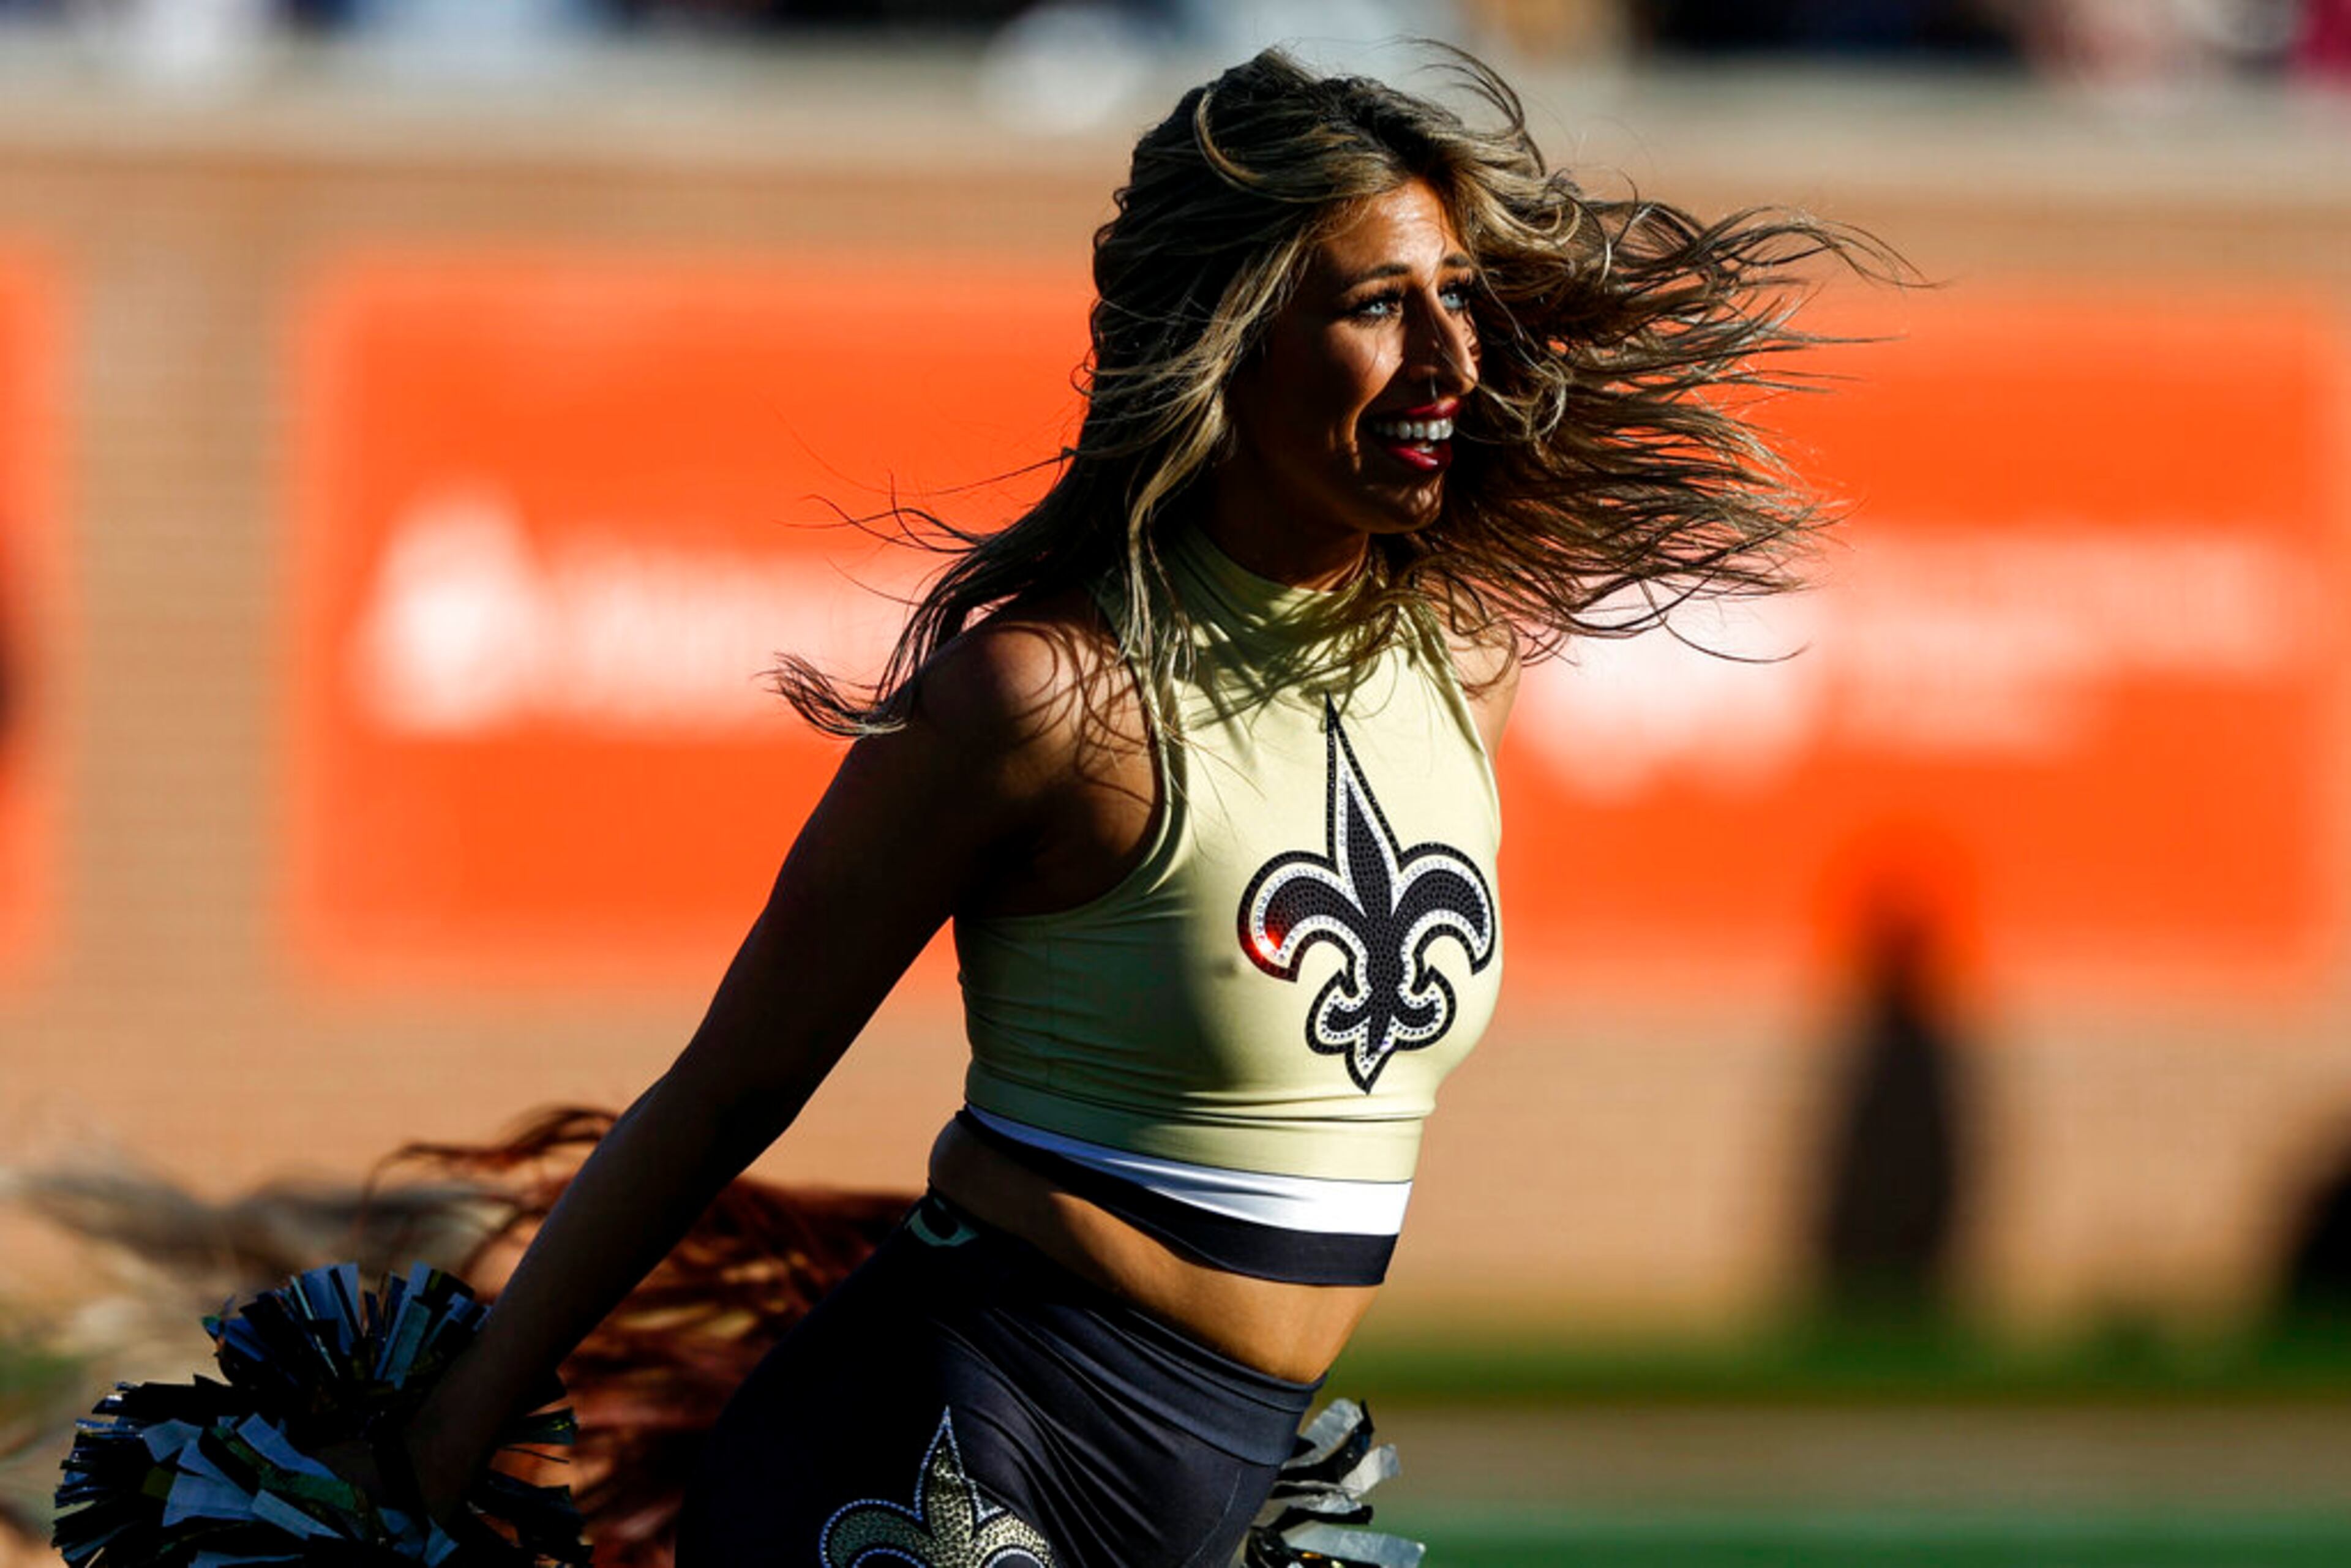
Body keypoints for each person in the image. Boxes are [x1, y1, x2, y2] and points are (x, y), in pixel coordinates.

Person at [392, 45, 1894, 1568]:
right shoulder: (1040, 696)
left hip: (1230, 1477)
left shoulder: (1466, 660)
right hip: (951, 1455)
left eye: (1458, 295)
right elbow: (728, 1088)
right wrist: (458, 1428)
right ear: (1227, 338)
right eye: (1379, 303)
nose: (1450, 354)